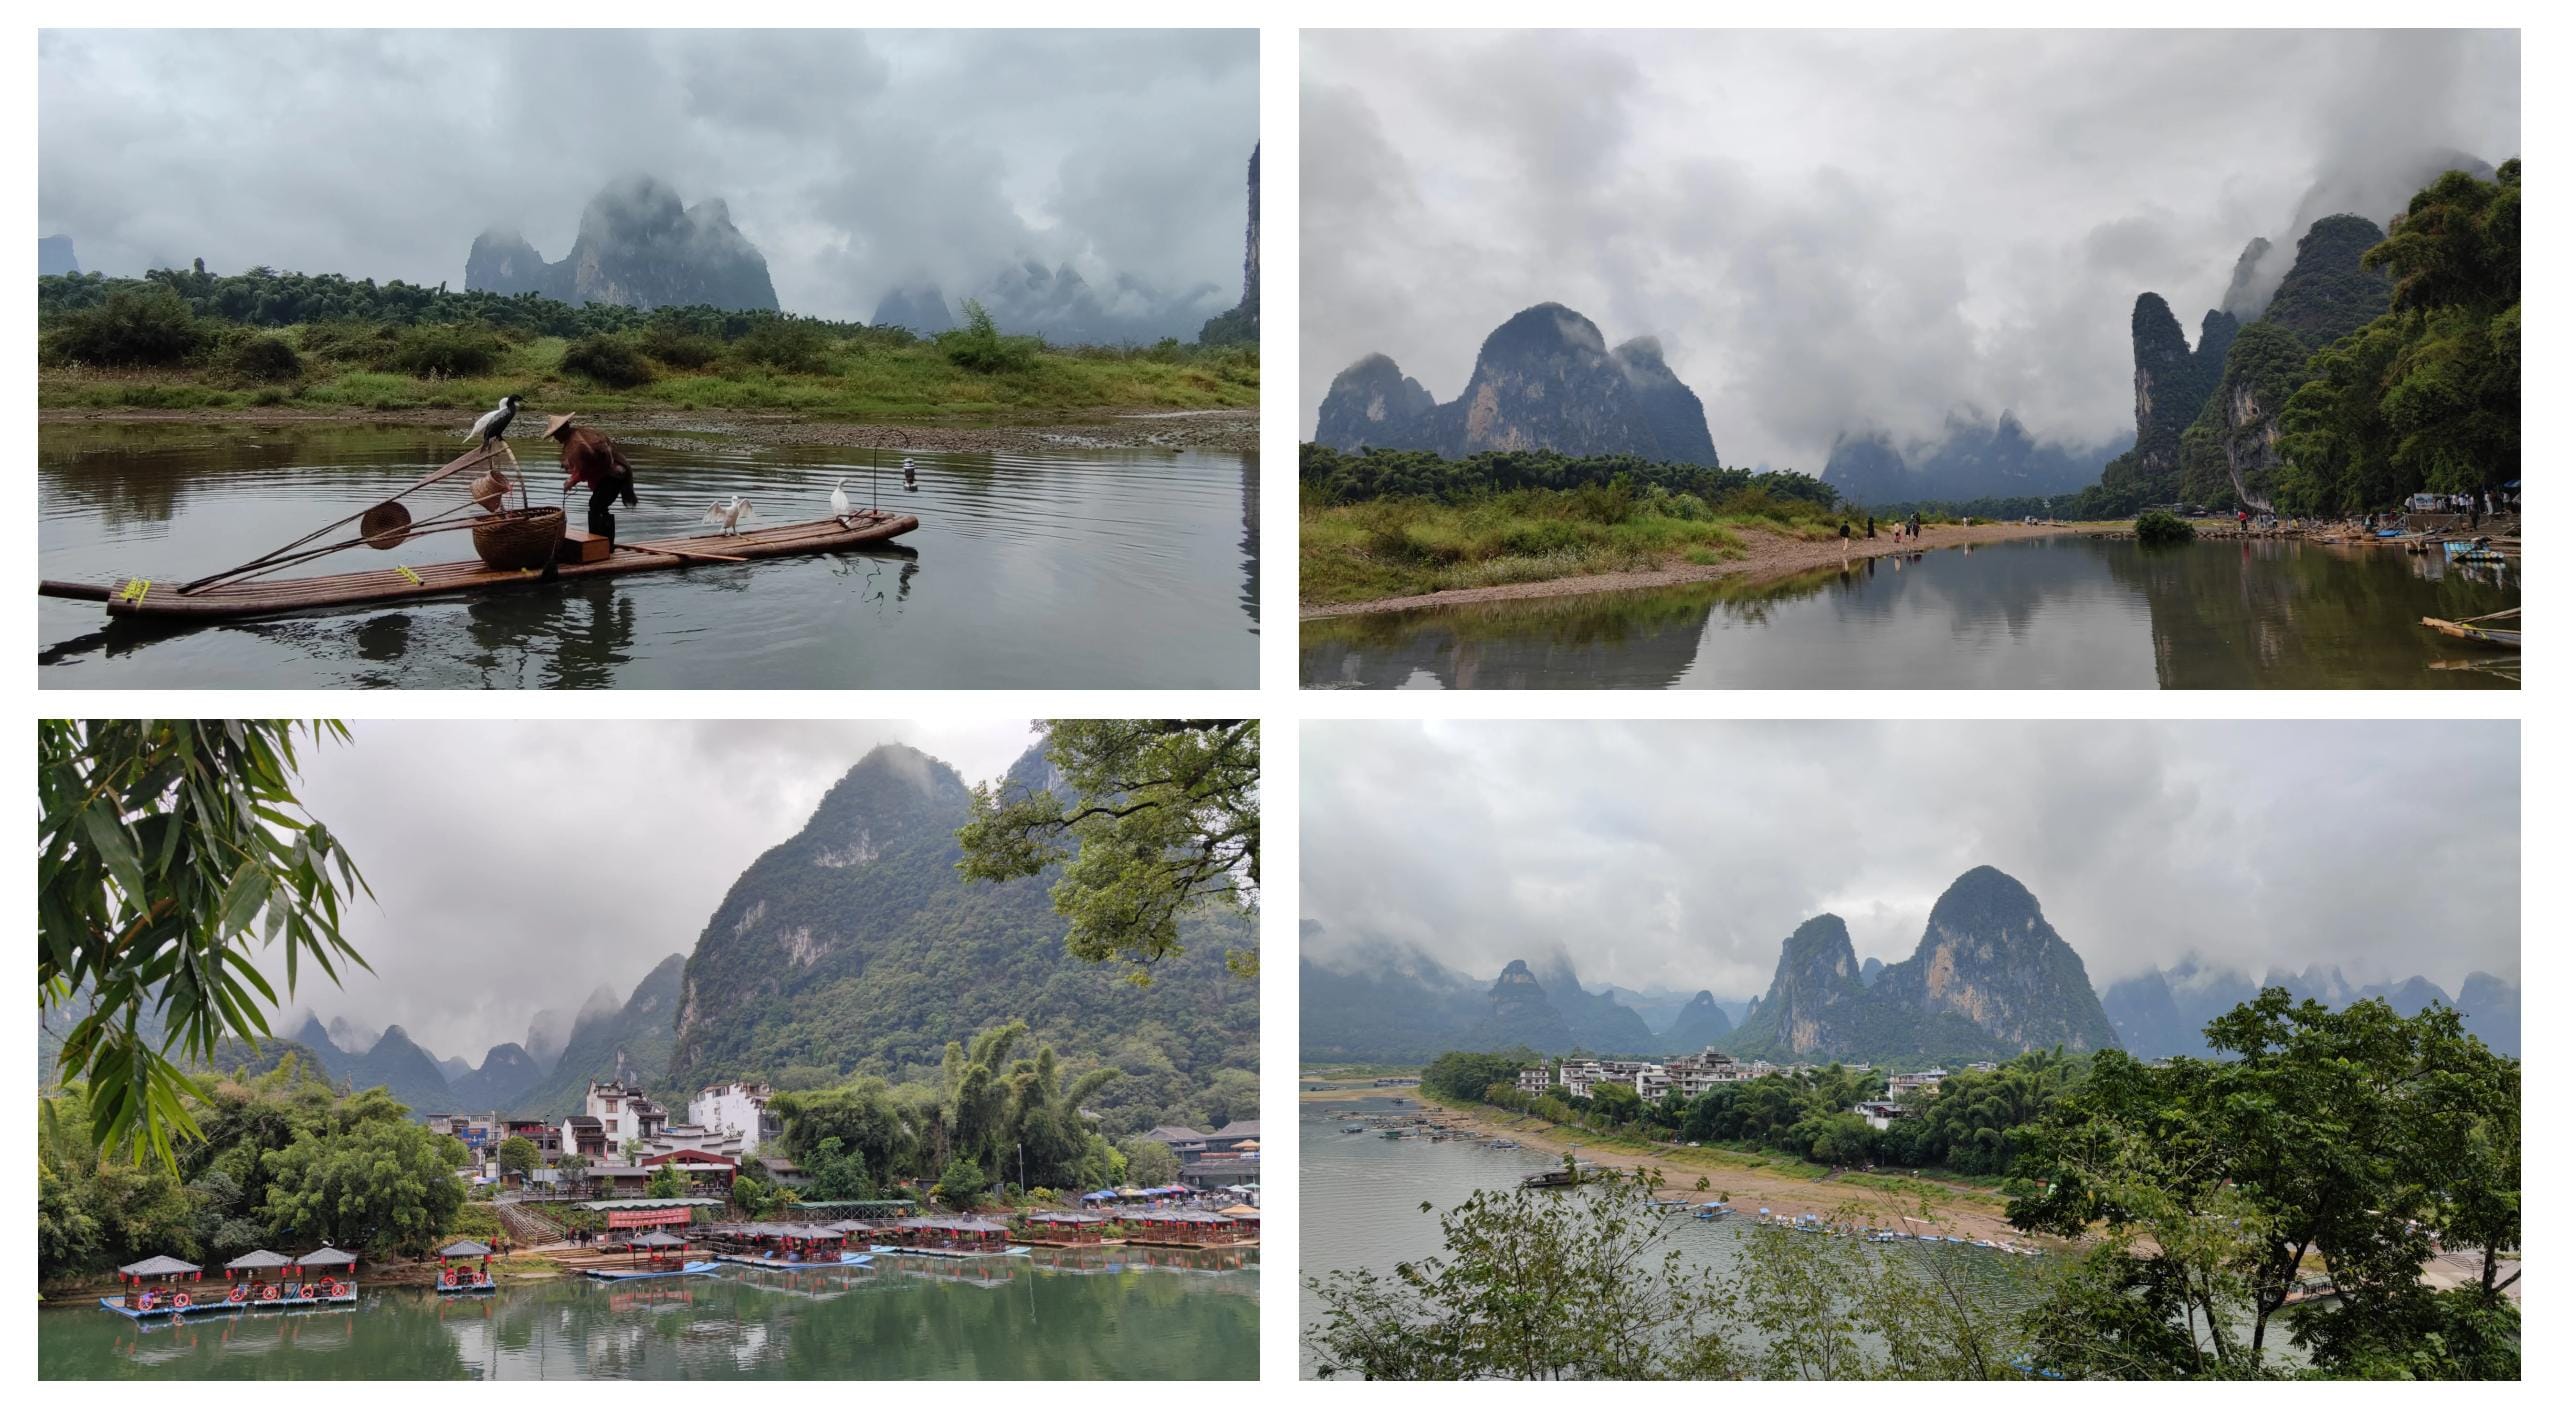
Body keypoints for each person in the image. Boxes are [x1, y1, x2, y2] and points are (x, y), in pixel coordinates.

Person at [547, 413, 638, 550]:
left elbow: (588, 467)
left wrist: (572, 481)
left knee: (596, 506)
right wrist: (572, 479)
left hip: (614, 475)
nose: (555, 438)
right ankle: (604, 544)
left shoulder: (578, 443)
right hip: (615, 473)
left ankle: (602, 546)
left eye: (555, 434)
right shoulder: (578, 438)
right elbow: (586, 466)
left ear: (561, 431)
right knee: (598, 506)